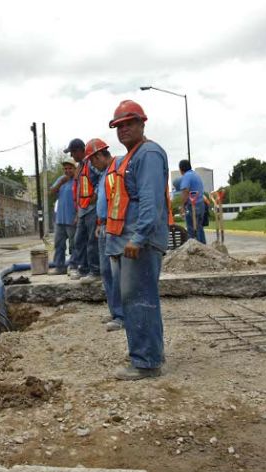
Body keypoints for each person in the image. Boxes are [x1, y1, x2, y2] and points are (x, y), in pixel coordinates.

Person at [105, 100, 170, 380]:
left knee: (139, 299)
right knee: (140, 298)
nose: (123, 130)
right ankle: (150, 354)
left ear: (143, 123)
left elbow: (150, 200)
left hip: (140, 243)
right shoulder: (136, 155)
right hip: (133, 241)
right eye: (119, 126)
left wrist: (138, 237)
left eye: (129, 123)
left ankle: (145, 363)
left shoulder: (149, 154)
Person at [84, 138, 124, 332]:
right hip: (104, 227)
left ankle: (121, 316)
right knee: (106, 272)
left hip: (115, 228)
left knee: (117, 274)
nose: (92, 165)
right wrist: (100, 223)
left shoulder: (118, 167)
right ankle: (115, 311)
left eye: (92, 160)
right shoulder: (103, 175)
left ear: (99, 155)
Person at [65, 138, 100, 283]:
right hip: (83, 209)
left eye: (73, 152)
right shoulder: (80, 166)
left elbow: (101, 177)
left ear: (80, 150)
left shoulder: (91, 164)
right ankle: (83, 269)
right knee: (79, 240)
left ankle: (95, 271)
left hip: (92, 209)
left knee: (92, 242)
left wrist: (96, 194)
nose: (72, 156)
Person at [48, 159, 78, 275]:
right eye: (65, 168)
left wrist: (77, 215)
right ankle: (59, 267)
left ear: (75, 169)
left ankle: (74, 267)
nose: (67, 170)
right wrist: (61, 182)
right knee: (59, 244)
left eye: (70, 168)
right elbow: (51, 192)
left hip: (72, 219)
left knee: (74, 245)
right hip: (60, 219)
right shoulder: (61, 180)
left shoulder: (77, 181)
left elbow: (81, 200)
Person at [178, 159, 207, 244]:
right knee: (199, 227)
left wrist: (182, 206)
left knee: (192, 229)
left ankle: (196, 250)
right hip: (201, 205)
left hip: (193, 206)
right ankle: (204, 248)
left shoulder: (187, 176)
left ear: (181, 169)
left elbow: (185, 190)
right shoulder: (196, 175)